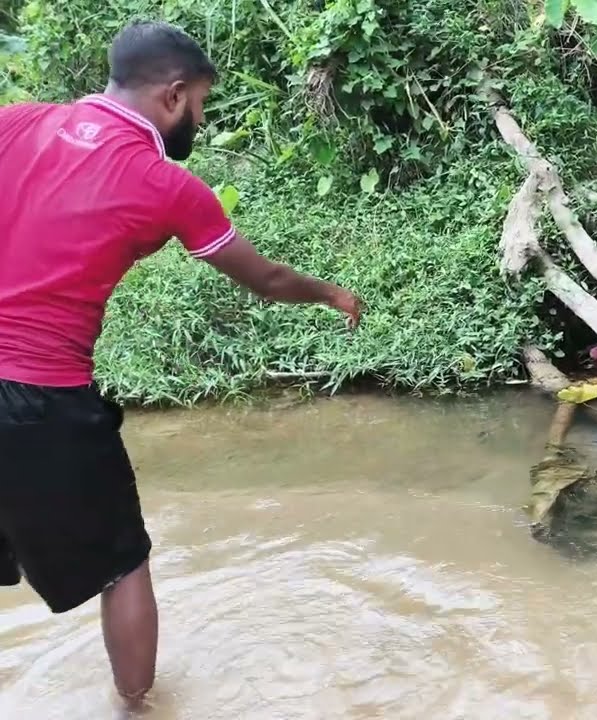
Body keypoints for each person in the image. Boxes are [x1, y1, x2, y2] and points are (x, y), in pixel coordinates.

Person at [0, 20, 361, 706]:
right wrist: (332, 294)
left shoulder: (16, 123)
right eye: (199, 102)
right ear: (172, 95)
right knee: (123, 565)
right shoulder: (165, 184)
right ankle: (139, 708)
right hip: (39, 397)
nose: (200, 117)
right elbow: (267, 279)